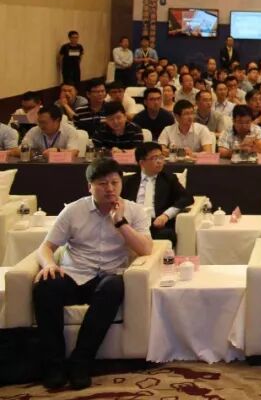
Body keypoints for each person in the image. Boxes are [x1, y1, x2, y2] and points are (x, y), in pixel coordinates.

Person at [33, 158, 153, 390]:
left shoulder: (135, 211)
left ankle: (81, 362)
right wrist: (48, 264)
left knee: (114, 287)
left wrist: (120, 223)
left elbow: (146, 249)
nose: (110, 189)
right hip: (74, 274)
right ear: (90, 187)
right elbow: (45, 247)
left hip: (108, 277)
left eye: (114, 183)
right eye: (102, 184)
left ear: (121, 184)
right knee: (45, 286)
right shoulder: (73, 210)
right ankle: (54, 365)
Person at [120, 142, 193, 247]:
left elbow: (187, 198)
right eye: (154, 158)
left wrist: (166, 216)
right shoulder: (128, 181)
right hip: (132, 226)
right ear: (142, 162)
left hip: (156, 226)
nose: (159, 161)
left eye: (161, 157)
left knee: (167, 235)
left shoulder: (169, 179)